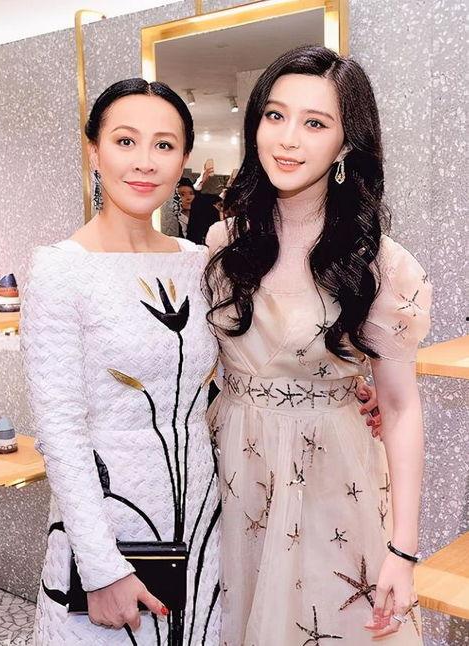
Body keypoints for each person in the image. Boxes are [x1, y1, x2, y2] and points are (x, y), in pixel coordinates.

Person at [205, 45, 431, 645]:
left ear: (346, 143)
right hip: (230, 474)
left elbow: (401, 407)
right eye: (275, 115)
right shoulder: (223, 242)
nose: (287, 139)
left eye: (315, 123)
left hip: (329, 477)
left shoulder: (381, 264)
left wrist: (403, 551)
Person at [21, 79, 221, 645]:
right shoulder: (60, 269)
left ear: (183, 158)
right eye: (125, 141)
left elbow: (233, 375)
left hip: (200, 513)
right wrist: (102, 566)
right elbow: (60, 432)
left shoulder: (199, 263)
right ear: (94, 151)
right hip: (108, 522)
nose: (144, 161)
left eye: (164, 145)